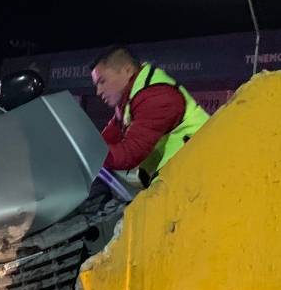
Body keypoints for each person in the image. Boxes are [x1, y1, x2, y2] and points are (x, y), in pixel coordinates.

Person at [89, 47, 209, 189]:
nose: (98, 91)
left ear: (127, 70)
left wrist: (89, 155)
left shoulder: (156, 97)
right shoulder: (129, 98)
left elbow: (129, 154)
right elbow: (106, 140)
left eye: (102, 81)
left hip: (201, 173)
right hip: (183, 176)